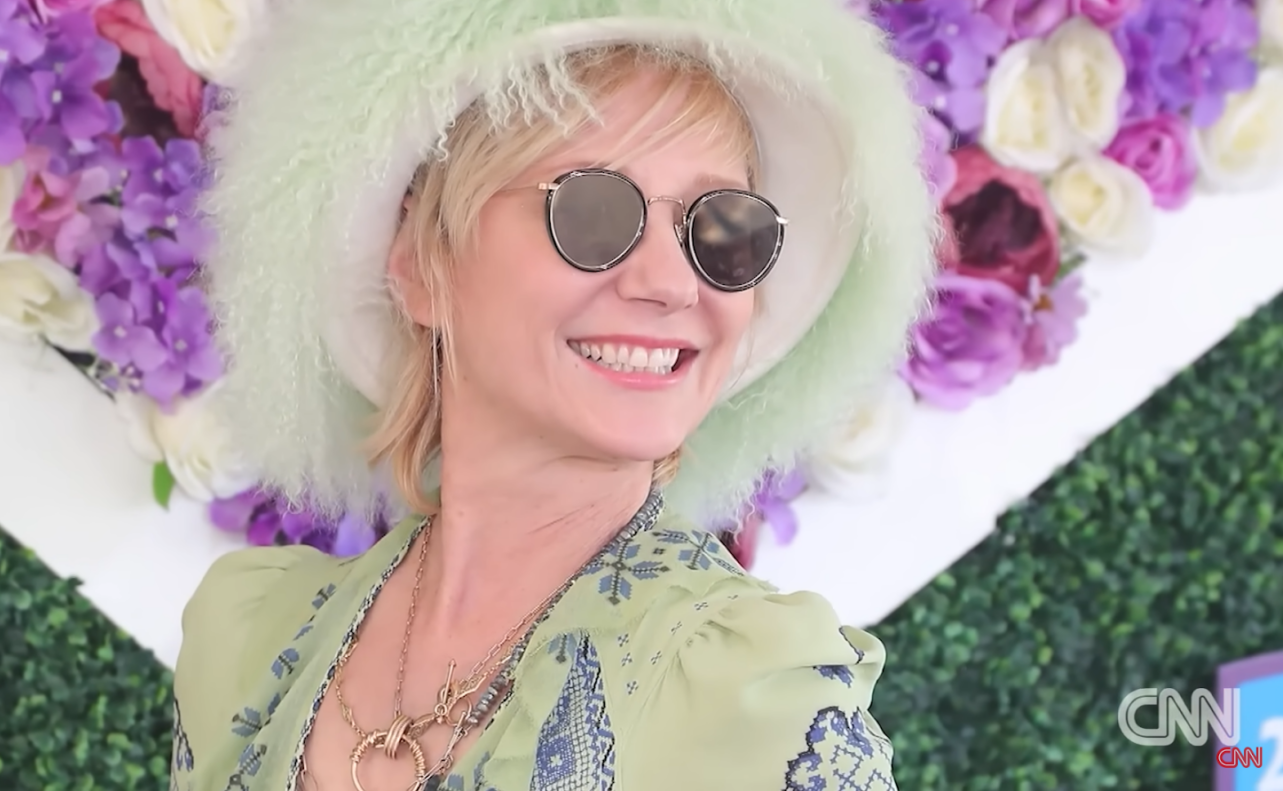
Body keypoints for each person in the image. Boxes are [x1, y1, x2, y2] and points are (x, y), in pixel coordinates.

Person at [172, 0, 938, 789]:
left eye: (721, 230)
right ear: (419, 258)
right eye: (595, 211)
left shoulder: (758, 708)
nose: (671, 284)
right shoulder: (246, 644)